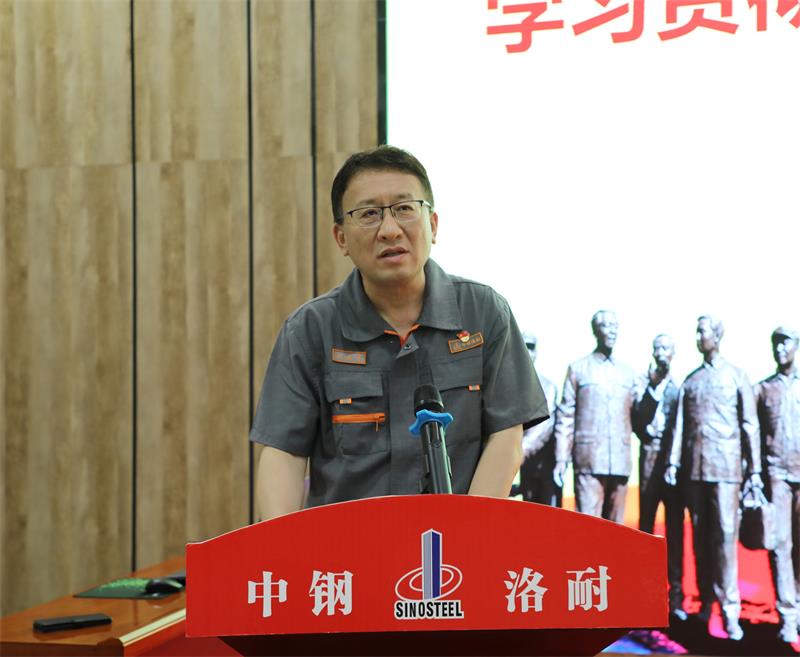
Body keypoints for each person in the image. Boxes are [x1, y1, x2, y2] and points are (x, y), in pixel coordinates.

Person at [250, 145, 549, 520]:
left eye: (405, 209)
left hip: (457, 544)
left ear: (433, 225)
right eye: (369, 214)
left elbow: (506, 437)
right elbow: (284, 454)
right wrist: (280, 547)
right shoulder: (310, 330)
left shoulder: (484, 313)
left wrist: (465, 533)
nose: (390, 230)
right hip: (349, 549)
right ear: (341, 238)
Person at [665, 315, 763, 641]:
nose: (698, 337)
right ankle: (706, 605)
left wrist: (755, 470)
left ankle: (730, 610)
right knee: (700, 539)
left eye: (702, 332)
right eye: (696, 331)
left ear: (717, 336)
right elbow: (679, 427)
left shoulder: (736, 376)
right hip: (695, 471)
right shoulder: (690, 381)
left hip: (726, 472)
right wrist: (673, 463)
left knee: (724, 539)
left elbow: (750, 425)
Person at [553, 310, 637, 523]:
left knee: (618, 531)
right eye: (607, 326)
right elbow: (565, 417)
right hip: (589, 460)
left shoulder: (628, 373)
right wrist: (561, 459)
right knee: (588, 528)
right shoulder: (578, 369)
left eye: (615, 326)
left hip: (620, 460)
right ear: (595, 331)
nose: (612, 331)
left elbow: (638, 416)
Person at [632, 334, 686, 621]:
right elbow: (637, 421)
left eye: (666, 348)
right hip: (649, 460)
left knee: (675, 530)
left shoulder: (680, 387)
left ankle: (676, 596)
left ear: (673, 353)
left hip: (673, 464)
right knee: (646, 529)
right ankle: (645, 594)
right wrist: (653, 388)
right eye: (658, 348)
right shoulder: (643, 384)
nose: (662, 352)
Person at [755, 326, 800, 644]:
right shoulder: (763, 389)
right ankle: (787, 616)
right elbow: (754, 435)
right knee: (781, 544)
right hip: (777, 475)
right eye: (776, 344)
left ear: (796, 346)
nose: (780, 349)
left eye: (785, 343)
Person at [517, 333, 561, 506]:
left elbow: (543, 426)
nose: (528, 352)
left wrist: (517, 453)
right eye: (523, 347)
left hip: (545, 467)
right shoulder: (508, 385)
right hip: (523, 468)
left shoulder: (548, 386)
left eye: (531, 347)